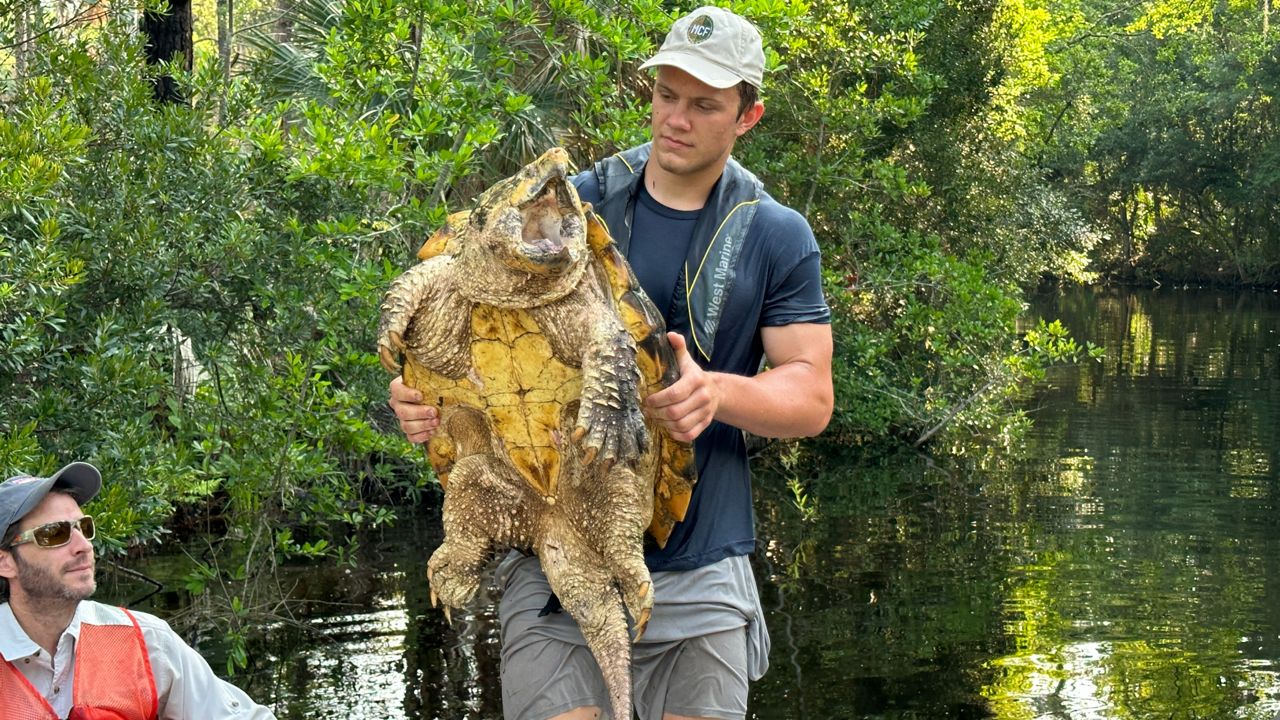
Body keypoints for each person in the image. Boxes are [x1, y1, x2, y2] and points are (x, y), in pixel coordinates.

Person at [389, 6, 833, 719]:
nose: (675, 119)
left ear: (748, 115)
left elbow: (811, 395)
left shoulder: (775, 233)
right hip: (552, 548)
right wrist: (425, 394)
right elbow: (466, 313)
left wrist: (715, 394)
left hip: (704, 562)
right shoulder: (569, 209)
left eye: (704, 104)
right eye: (665, 95)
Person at [0, 461, 278, 720]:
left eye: (83, 527)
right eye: (54, 533)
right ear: (5, 562)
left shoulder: (146, 640)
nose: (83, 545)